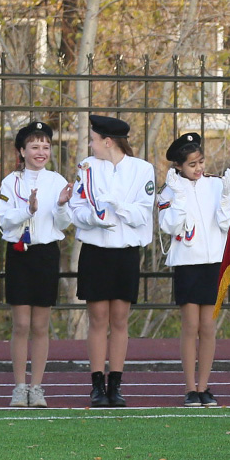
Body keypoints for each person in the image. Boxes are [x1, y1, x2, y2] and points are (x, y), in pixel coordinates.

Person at [69, 114, 155, 407]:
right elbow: (75, 208)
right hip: (96, 251)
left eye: (93, 139)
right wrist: (94, 218)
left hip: (125, 253)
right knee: (97, 320)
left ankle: (115, 385)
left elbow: (143, 214)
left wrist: (120, 209)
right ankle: (96, 385)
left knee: (119, 320)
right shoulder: (88, 168)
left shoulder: (142, 169)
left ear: (108, 142)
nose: (90, 144)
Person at [0, 121, 74, 408]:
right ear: (22, 150)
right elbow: (3, 221)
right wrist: (26, 210)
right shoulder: (10, 182)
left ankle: (37, 387)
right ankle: (19, 387)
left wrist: (63, 204)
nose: (40, 152)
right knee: (21, 324)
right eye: (34, 146)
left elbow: (64, 223)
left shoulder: (56, 180)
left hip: (45, 254)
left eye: (45, 146)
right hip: (19, 253)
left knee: (40, 325)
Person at [157, 132, 230, 408]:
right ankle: (190, 387)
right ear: (179, 166)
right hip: (188, 263)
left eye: (201, 162)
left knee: (209, 327)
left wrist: (225, 196)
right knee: (190, 326)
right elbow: (170, 227)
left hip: (212, 262)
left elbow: (227, 224)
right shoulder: (169, 189)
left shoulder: (214, 185)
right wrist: (177, 197)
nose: (199, 168)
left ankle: (204, 386)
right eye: (192, 164)